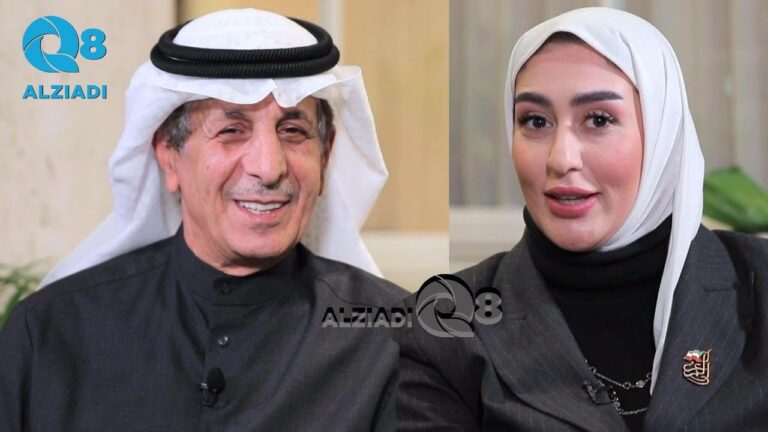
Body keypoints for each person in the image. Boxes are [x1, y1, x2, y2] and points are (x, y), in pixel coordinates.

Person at [0, 9, 407, 431]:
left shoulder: (396, 344)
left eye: (293, 131)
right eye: (232, 131)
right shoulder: (50, 333)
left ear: (325, 155)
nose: (269, 168)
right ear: (168, 155)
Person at [397, 7, 768, 432]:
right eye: (535, 121)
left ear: (662, 134)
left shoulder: (759, 286)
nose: (561, 159)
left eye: (598, 120)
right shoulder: (440, 329)